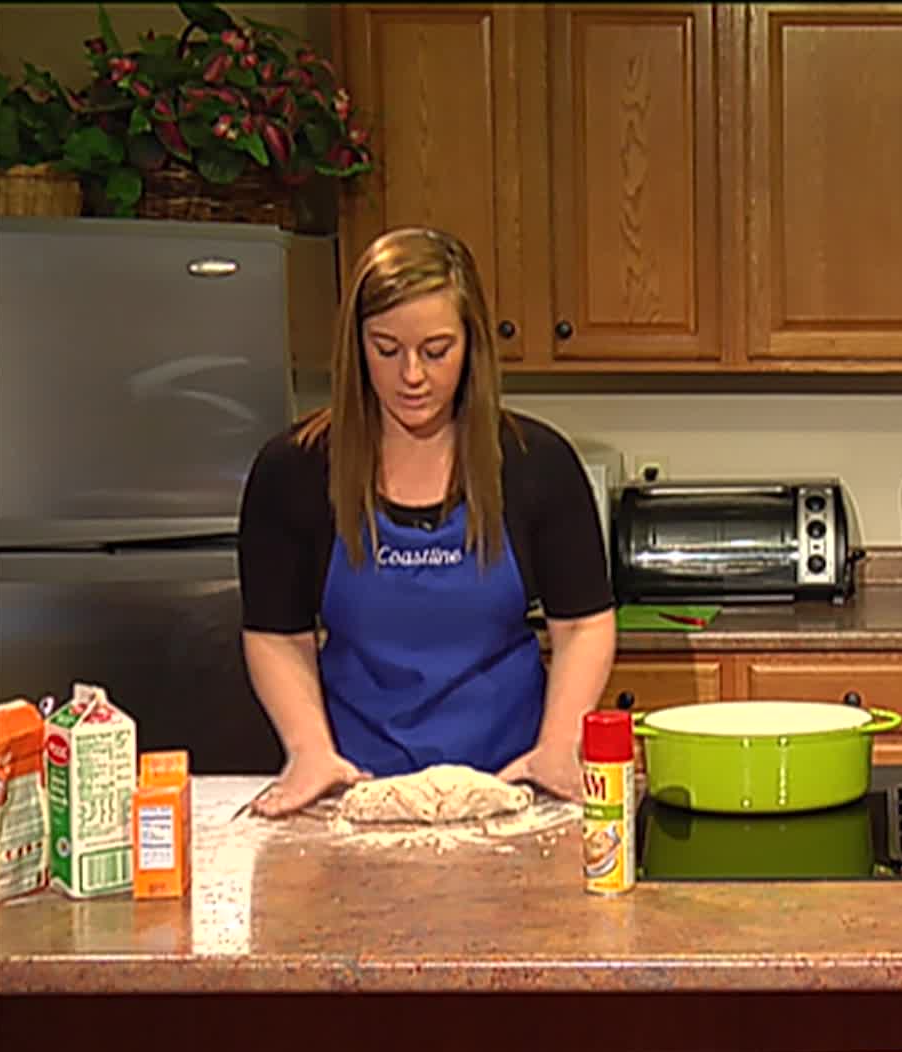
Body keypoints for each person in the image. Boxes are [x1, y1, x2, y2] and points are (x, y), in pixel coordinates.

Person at [236, 226, 617, 815]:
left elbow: (583, 626)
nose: (411, 375)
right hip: (354, 793)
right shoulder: (296, 472)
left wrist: (559, 744)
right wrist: (309, 750)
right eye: (386, 349)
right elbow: (278, 635)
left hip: (512, 789)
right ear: (355, 346)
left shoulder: (534, 465)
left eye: (436, 351)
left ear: (472, 345)